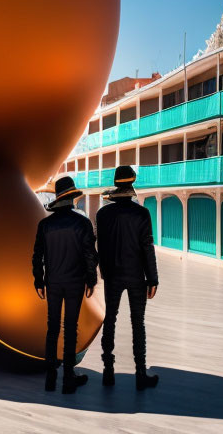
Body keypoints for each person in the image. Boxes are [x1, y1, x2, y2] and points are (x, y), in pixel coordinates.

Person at [32, 176, 98, 394]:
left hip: (53, 282)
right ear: (72, 199)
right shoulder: (82, 223)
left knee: (52, 328)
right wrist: (91, 279)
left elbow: (37, 256)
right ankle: (68, 380)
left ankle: (50, 379)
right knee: (70, 328)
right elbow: (90, 255)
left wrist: (38, 280)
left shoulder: (45, 224)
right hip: (75, 283)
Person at [96, 165, 159, 390]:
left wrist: (103, 270)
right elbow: (147, 247)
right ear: (132, 185)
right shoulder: (142, 214)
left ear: (116, 185)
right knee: (137, 323)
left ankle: (108, 371)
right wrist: (152, 279)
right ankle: (140, 374)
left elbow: (100, 246)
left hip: (112, 275)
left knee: (110, 319)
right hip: (136, 276)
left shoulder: (103, 214)